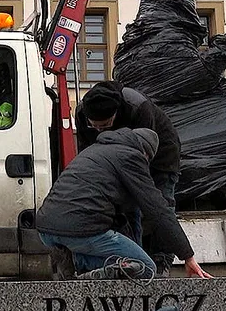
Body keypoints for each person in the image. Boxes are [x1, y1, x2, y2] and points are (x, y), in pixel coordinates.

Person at [37, 127, 212, 280]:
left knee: (128, 264)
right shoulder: (131, 157)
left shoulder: (95, 151)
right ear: (146, 154)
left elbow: (131, 214)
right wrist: (187, 256)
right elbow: (158, 210)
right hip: (78, 229)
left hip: (46, 228)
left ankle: (74, 259)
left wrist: (135, 248)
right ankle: (77, 261)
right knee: (145, 268)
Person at [75, 81, 181, 273]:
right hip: (118, 156)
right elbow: (86, 153)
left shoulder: (138, 107)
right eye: (95, 126)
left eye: (105, 125)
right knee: (121, 208)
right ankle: (131, 259)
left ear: (116, 114)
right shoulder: (82, 113)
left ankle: (161, 259)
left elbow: (140, 166)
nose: (99, 130)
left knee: (158, 204)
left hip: (160, 155)